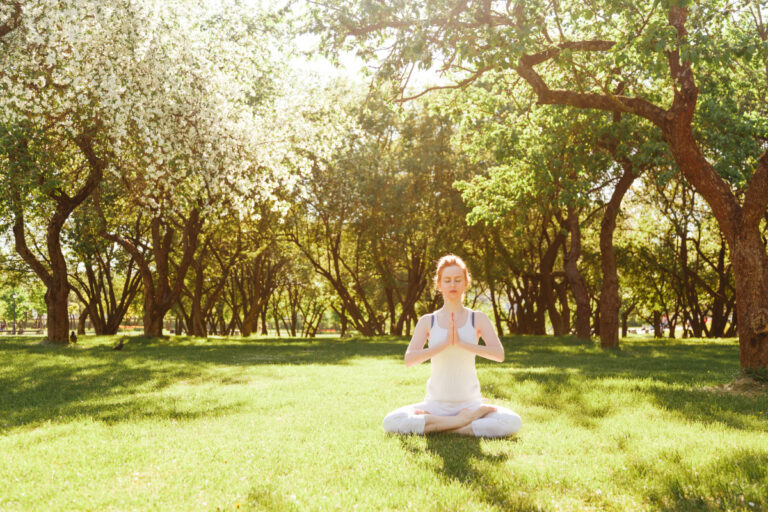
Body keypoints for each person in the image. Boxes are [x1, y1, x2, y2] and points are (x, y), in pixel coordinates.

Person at [382, 255, 522, 437]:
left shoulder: (477, 318)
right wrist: (444, 344)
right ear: (439, 285)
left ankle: (443, 426)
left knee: (512, 421)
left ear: (466, 283)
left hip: (470, 404)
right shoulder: (428, 321)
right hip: (434, 405)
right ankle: (463, 423)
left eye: (458, 280)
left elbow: (499, 355)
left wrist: (463, 344)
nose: (453, 285)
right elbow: (409, 360)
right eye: (447, 280)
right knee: (391, 421)